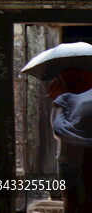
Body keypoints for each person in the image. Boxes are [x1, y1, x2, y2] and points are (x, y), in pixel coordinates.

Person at [50, 67, 92, 212]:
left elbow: (58, 131)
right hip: (79, 160)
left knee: (71, 202)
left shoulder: (62, 103)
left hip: (69, 161)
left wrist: (59, 100)